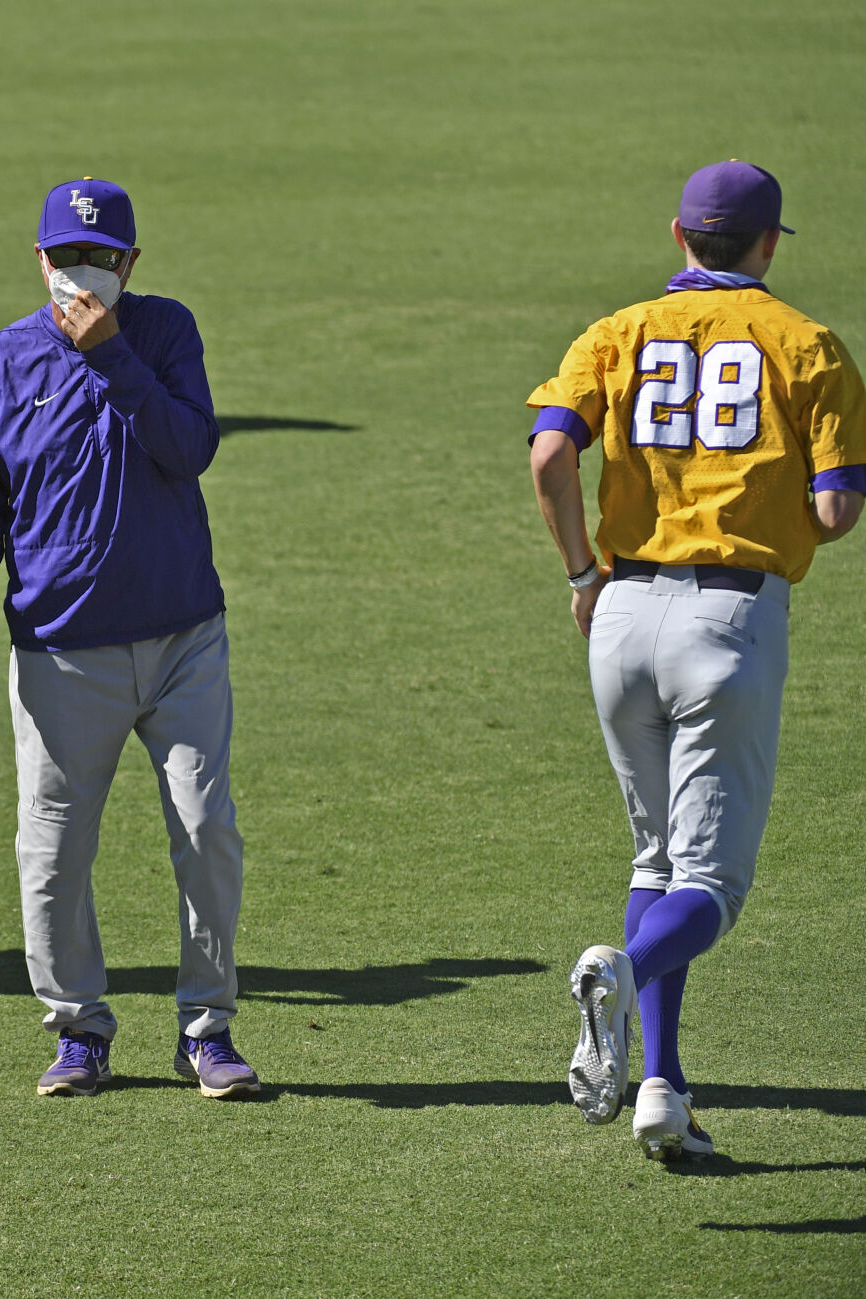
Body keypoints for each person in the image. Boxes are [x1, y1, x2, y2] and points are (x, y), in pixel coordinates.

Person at [528, 160, 866, 1160]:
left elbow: (551, 455)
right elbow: (837, 511)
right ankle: (623, 982)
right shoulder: (808, 344)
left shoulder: (613, 333)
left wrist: (581, 573)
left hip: (621, 613)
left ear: (680, 237)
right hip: (728, 620)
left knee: (656, 860)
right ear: (767, 244)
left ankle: (662, 1092)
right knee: (711, 888)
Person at [0, 178, 259, 1100]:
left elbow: (188, 448)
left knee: (207, 830)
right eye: (68, 258)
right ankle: (78, 1028)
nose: (84, 275)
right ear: (39, 260)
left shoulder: (164, 332)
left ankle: (208, 1028)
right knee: (53, 849)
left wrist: (113, 353)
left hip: (184, 638)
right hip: (59, 652)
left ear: (131, 263)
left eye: (103, 260)